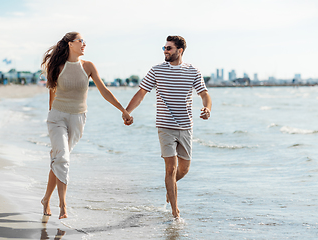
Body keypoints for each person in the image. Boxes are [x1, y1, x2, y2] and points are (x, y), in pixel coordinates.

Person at [40, 32, 132, 219]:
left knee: (59, 159)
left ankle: (45, 199)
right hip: (57, 118)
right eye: (81, 41)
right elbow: (52, 91)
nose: (84, 44)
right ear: (70, 44)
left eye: (84, 42)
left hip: (78, 118)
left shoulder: (88, 66)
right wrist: (51, 114)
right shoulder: (58, 66)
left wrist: (123, 110)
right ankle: (63, 206)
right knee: (63, 158)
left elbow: (104, 90)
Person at [124, 36, 212, 219]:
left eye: (169, 48)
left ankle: (169, 187)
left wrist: (207, 109)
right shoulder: (157, 71)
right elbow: (141, 93)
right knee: (170, 169)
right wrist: (127, 112)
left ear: (180, 50)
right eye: (164, 47)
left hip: (186, 127)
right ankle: (175, 212)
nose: (165, 50)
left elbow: (204, 94)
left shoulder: (193, 71)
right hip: (165, 126)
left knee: (184, 169)